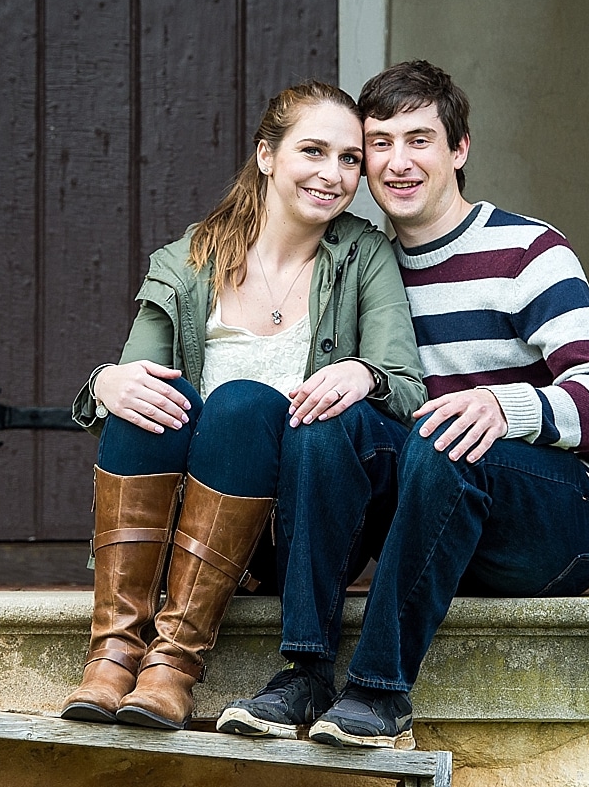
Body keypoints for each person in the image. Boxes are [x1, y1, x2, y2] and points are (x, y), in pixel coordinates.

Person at [219, 61, 589, 750]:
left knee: (445, 431)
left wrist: (504, 406)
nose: (398, 162)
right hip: (434, 511)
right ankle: (304, 673)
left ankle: (379, 691)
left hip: (556, 520)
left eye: (420, 140)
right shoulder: (357, 266)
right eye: (379, 143)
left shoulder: (527, 249)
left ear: (459, 149)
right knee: (327, 420)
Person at [62, 81, 426, 732]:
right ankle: (115, 654)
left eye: (349, 159)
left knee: (240, 405)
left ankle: (173, 663)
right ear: (266, 155)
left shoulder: (363, 256)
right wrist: (105, 382)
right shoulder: (186, 261)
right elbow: (136, 377)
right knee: (149, 394)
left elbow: (405, 386)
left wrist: (361, 372)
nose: (334, 174)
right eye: (313, 151)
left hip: (300, 537)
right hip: (188, 532)